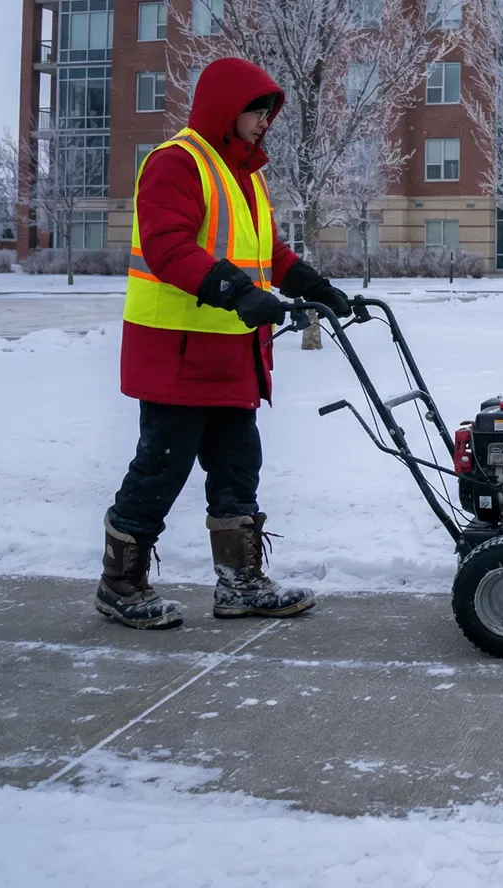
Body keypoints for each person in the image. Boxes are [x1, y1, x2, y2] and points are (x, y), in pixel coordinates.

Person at [96, 57, 352, 630]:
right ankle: (120, 584)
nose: (265, 123)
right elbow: (168, 246)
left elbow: (269, 255)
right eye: (256, 111)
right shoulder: (177, 163)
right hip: (179, 352)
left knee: (239, 468)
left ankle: (240, 583)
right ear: (226, 108)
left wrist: (316, 287)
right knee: (161, 469)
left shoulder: (245, 175)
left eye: (268, 113)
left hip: (233, 355)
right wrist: (236, 291)